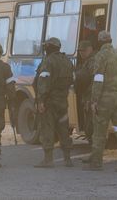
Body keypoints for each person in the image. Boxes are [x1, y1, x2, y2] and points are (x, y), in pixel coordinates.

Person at [83, 31, 117, 172]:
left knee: (100, 130)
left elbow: (98, 80)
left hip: (105, 98)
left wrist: (94, 101)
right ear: (111, 41)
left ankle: (96, 163)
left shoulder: (101, 56)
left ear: (100, 43)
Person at [32, 37, 74, 168]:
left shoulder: (48, 61)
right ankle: (67, 159)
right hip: (62, 101)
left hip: (49, 102)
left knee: (47, 128)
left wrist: (41, 101)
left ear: (49, 47)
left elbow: (43, 82)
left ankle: (48, 160)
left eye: (46, 46)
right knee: (63, 129)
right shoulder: (67, 61)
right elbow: (72, 80)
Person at [75, 40, 96, 143]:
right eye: (80, 51)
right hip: (89, 98)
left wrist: (89, 99)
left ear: (90, 49)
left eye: (84, 51)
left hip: (90, 98)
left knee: (90, 126)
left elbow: (92, 82)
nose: (81, 53)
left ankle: (94, 149)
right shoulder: (88, 62)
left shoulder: (92, 62)